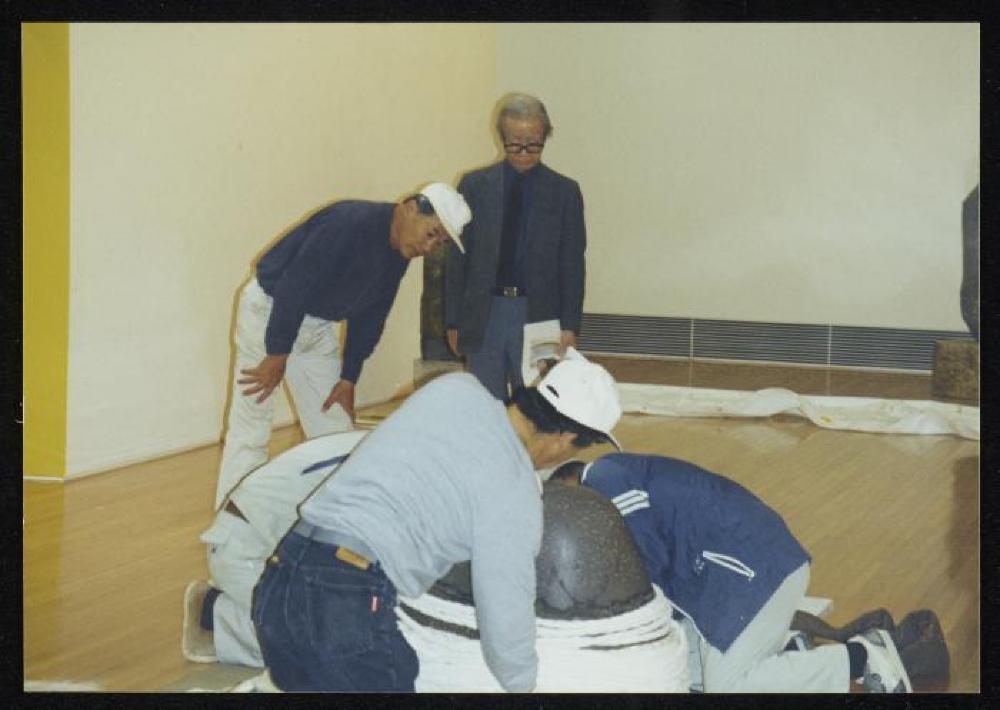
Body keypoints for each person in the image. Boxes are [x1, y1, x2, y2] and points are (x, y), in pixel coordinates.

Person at [250, 348, 623, 692]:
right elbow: (505, 610)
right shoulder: (514, 490)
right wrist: (524, 686)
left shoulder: (455, 388)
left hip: (281, 574)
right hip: (342, 601)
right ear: (566, 438)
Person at [550, 454, 933, 694]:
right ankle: (788, 649)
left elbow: (644, 571)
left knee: (729, 687)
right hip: (742, 575)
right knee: (687, 670)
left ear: (571, 487)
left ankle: (861, 656)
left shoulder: (606, 479)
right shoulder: (619, 477)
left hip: (754, 575)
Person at [215, 182, 472, 507]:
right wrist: (277, 353)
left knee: (335, 428)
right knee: (253, 420)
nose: (430, 247)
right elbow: (294, 287)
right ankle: (233, 521)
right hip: (269, 312)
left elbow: (372, 315)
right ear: (409, 208)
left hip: (316, 325)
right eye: (432, 232)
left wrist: (349, 377)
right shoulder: (348, 223)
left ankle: (335, 516)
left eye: (440, 242)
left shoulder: (399, 254)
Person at [182, 429, 368, 667]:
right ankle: (214, 617)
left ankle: (257, 604)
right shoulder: (378, 464)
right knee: (334, 651)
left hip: (265, 545)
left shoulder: (381, 447)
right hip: (246, 551)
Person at [445, 92, 586, 400]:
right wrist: (453, 321)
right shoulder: (474, 186)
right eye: (515, 142)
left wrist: (570, 325)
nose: (524, 151)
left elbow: (573, 265)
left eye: (533, 142)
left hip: (539, 314)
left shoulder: (564, 192)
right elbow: (458, 261)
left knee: (538, 405)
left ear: (546, 136)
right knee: (484, 402)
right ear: (501, 137)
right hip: (486, 313)